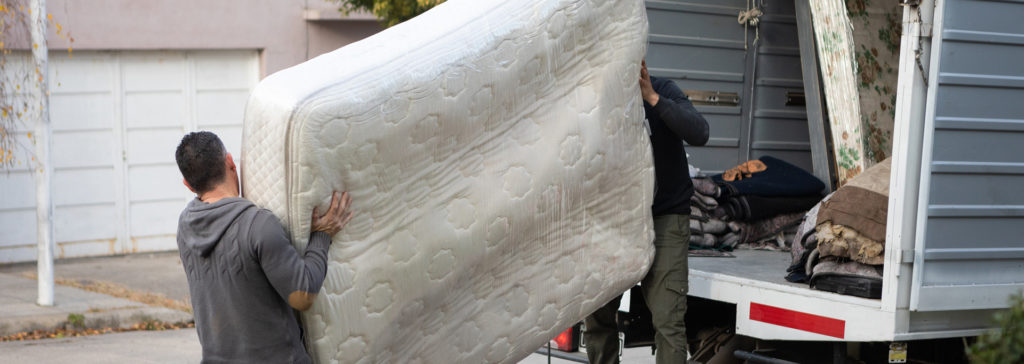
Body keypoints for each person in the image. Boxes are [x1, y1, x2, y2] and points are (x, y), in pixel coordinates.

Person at [174, 131, 354, 364]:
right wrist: (322, 234)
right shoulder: (258, 225)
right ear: (230, 162)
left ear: (188, 185)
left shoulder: (184, 227)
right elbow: (302, 295)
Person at [584, 60, 709, 364]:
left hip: (665, 217)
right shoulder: (597, 103)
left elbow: (700, 132)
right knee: (596, 313)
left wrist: (652, 97)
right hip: (617, 217)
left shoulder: (663, 90)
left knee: (668, 320)